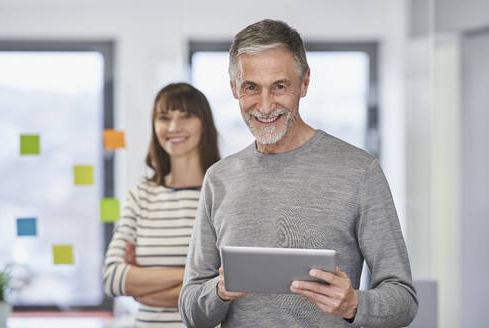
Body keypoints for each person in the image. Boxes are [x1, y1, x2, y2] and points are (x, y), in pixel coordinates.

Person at [179, 19, 418, 328]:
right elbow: (191, 311)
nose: (265, 106)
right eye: (251, 87)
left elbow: (404, 299)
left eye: (280, 86)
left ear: (304, 84)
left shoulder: (359, 171)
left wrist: (354, 304)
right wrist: (219, 292)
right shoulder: (219, 178)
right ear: (235, 89)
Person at [103, 83, 220, 327]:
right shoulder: (141, 196)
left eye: (186, 116)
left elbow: (231, 285)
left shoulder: (222, 196)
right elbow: (113, 278)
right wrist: (196, 278)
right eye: (164, 118)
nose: (174, 127)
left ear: (204, 124)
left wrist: (142, 284)